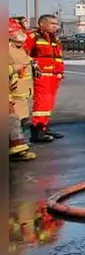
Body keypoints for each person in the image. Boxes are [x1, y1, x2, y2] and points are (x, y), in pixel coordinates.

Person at [24, 14, 64, 142]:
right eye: (52, 23)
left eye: (55, 23)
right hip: (42, 76)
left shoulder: (54, 39)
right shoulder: (33, 37)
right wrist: (35, 70)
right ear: (42, 24)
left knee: (49, 103)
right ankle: (37, 129)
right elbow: (25, 55)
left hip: (54, 76)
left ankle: (44, 127)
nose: (55, 26)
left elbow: (58, 58)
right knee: (42, 102)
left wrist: (60, 73)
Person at [9, 18, 37, 161]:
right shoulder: (8, 49)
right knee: (14, 121)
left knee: (20, 120)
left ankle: (19, 146)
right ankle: (18, 149)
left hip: (22, 92)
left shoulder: (20, 48)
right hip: (13, 92)